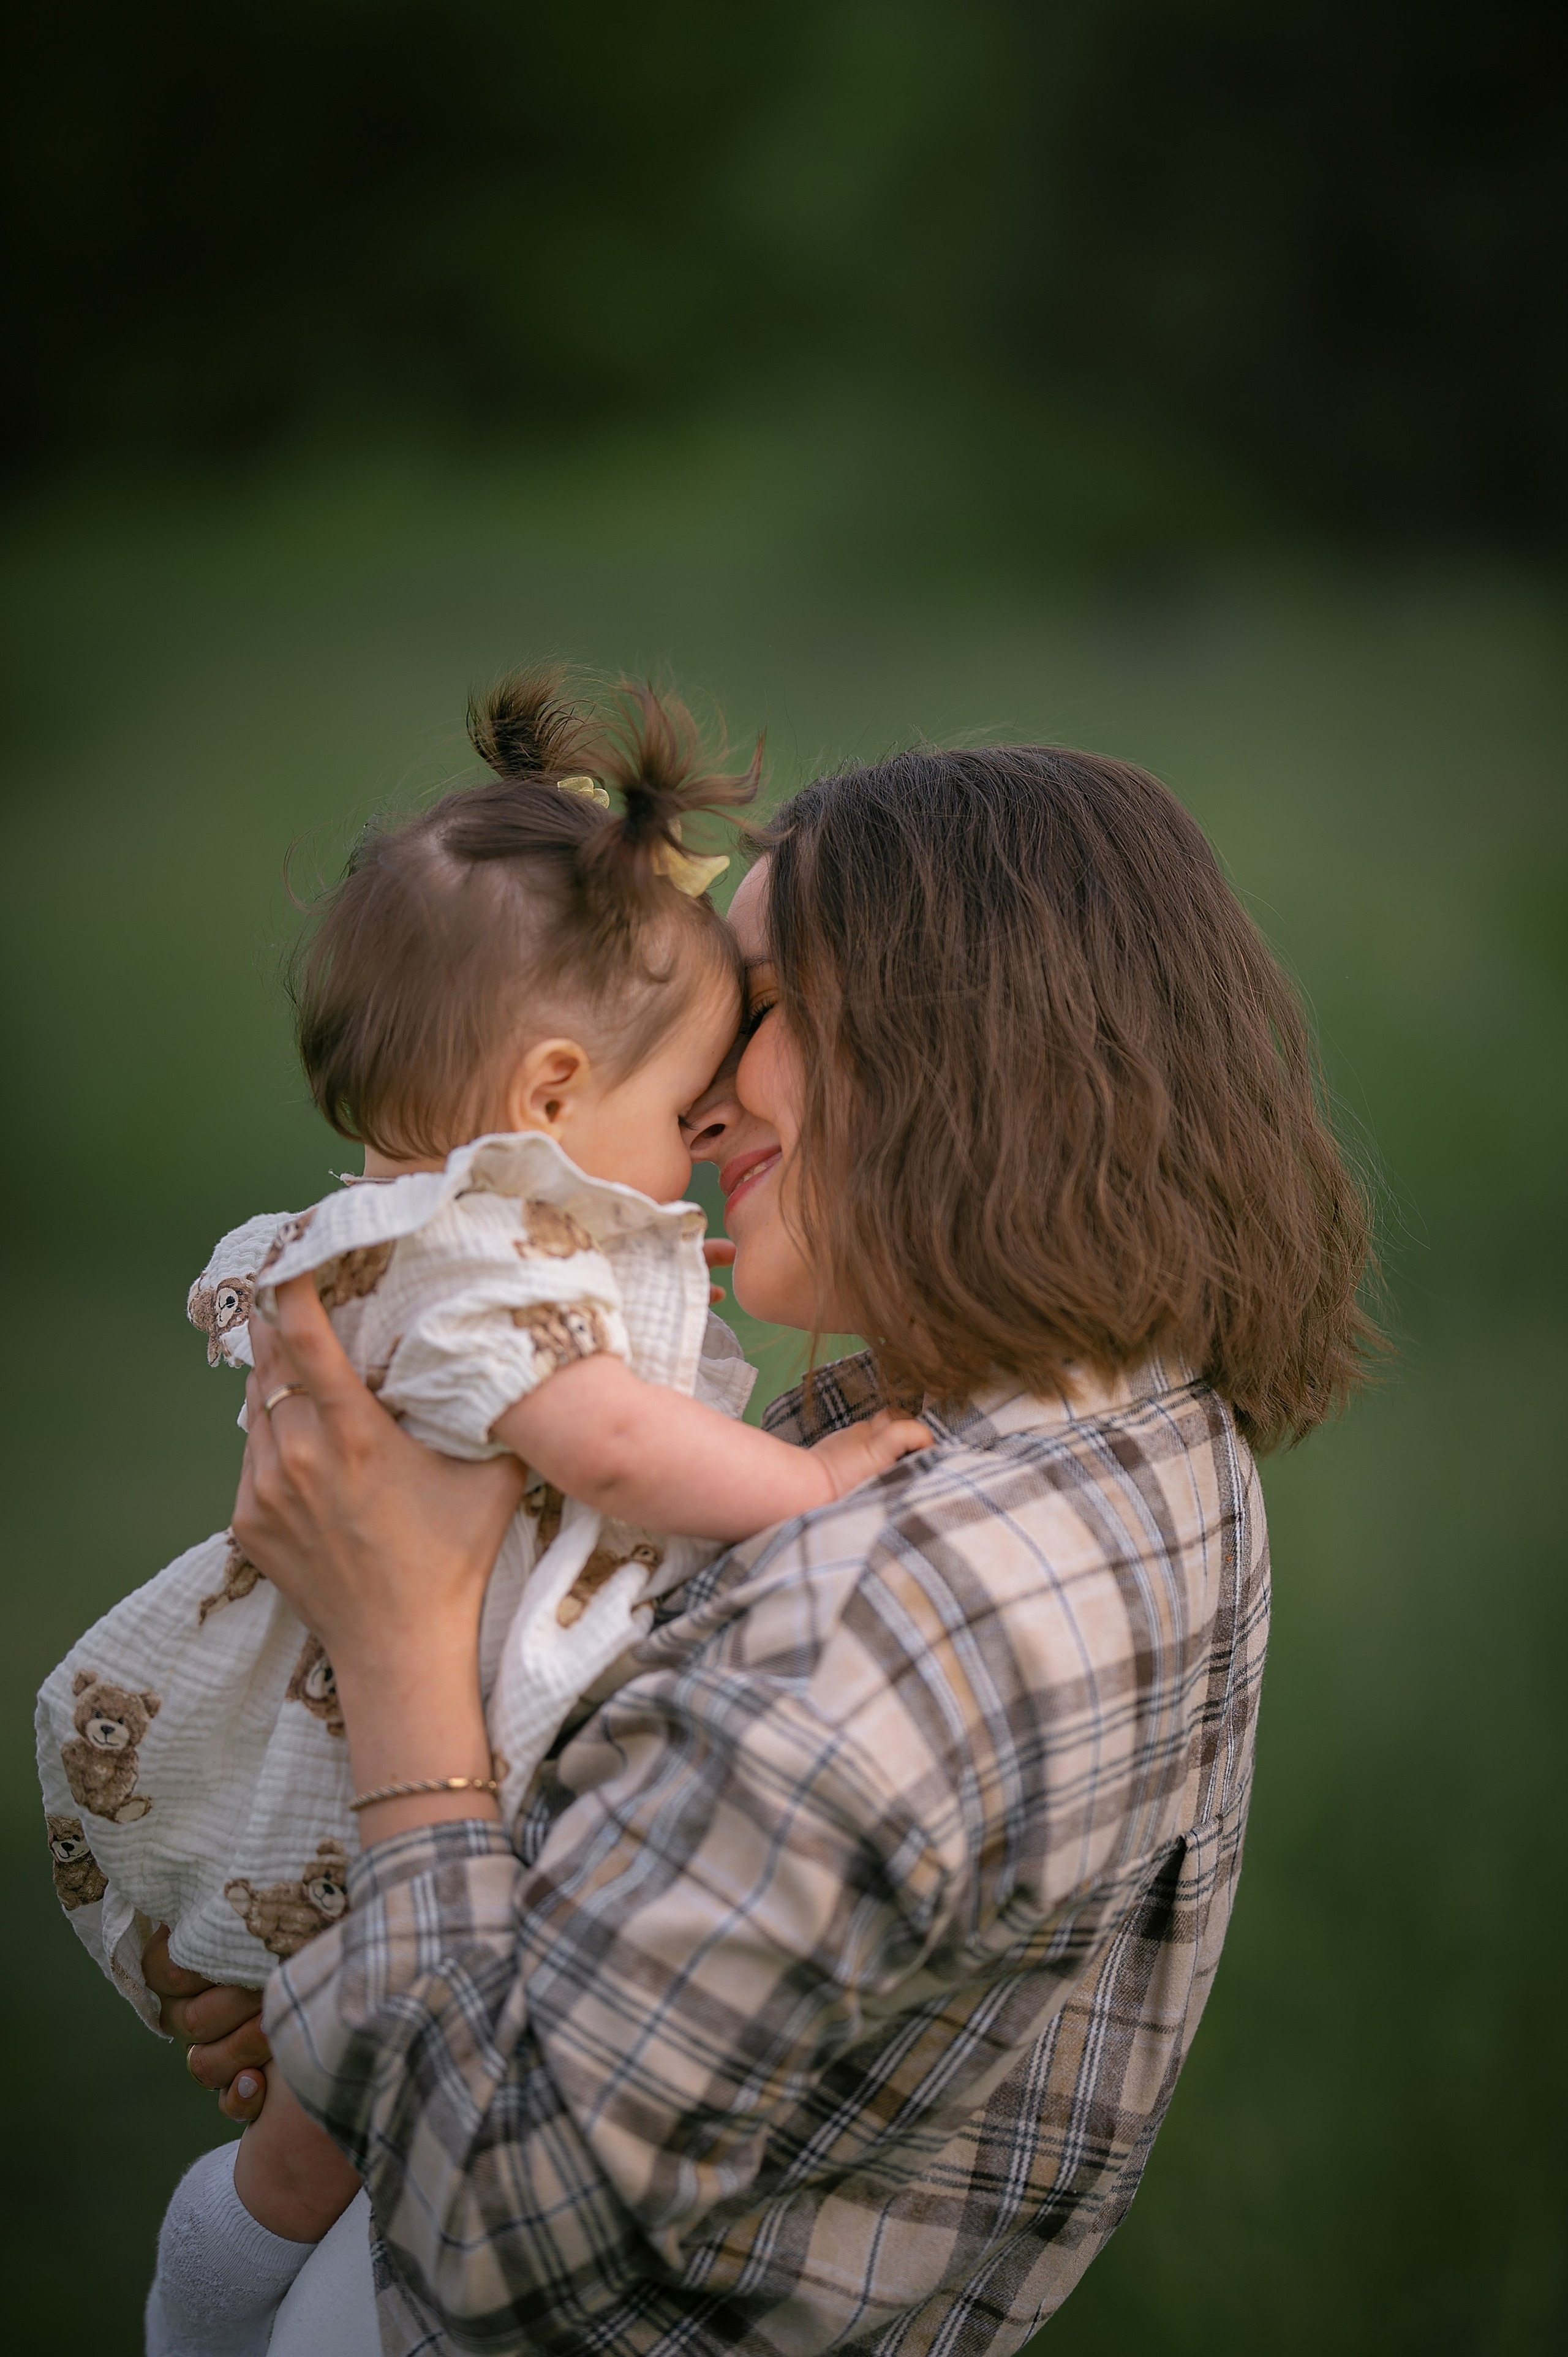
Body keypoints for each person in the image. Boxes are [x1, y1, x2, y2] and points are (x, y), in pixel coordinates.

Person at [150, 740, 1374, 2353]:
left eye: (771, 1006)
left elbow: (488, 2224)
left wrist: (393, 1656)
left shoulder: (890, 1608)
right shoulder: (1141, 1432)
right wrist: (336, 1960)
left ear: (968, 1038)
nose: (711, 1095)